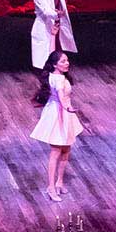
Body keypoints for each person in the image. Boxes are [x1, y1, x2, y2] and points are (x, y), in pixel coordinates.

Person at [30, 50, 85, 202]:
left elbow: (53, 51)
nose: (66, 63)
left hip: (64, 112)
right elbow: (61, 96)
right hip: (58, 113)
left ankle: (60, 181)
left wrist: (54, 35)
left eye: (67, 60)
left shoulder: (57, 75)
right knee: (56, 151)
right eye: (62, 61)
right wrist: (67, 108)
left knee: (66, 148)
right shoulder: (58, 80)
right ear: (55, 64)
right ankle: (51, 187)